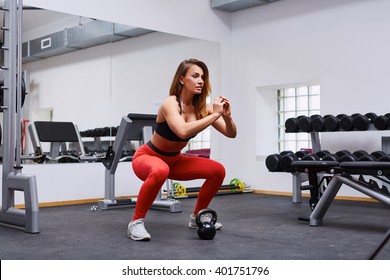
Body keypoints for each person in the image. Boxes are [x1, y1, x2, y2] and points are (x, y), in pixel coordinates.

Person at [127, 58, 237, 241]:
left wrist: (227, 117)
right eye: (195, 76)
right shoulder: (170, 103)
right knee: (161, 170)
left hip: (175, 160)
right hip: (147, 157)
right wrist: (216, 114)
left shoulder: (202, 108)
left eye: (203, 77)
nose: (201, 80)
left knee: (218, 171)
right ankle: (135, 223)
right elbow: (182, 130)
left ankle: (197, 217)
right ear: (181, 79)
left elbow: (231, 133)